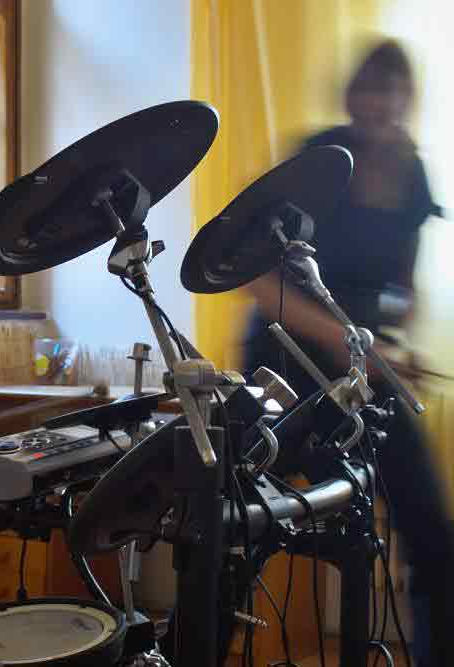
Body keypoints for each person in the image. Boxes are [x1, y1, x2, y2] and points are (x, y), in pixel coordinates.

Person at [241, 40, 450, 667]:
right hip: (284, 366)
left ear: (408, 99)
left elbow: (401, 290)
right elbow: (260, 279)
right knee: (244, 525)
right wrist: (344, 337)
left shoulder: (413, 174)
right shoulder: (319, 158)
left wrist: (393, 343)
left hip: (362, 373)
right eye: (372, 88)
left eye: (395, 90)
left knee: (433, 534)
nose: (383, 103)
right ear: (352, 96)